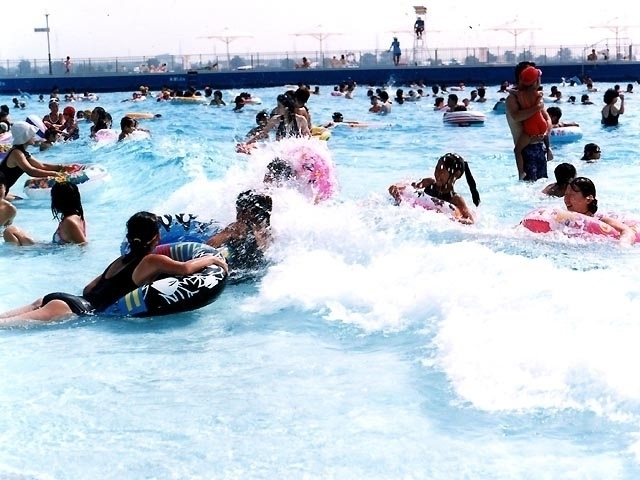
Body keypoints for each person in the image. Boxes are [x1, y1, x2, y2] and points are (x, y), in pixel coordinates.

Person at [0, 211, 228, 324]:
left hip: (64, 299)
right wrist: (213, 260)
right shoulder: (151, 260)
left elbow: (89, 288)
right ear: (157, 237)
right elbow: (186, 269)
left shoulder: (119, 261)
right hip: (73, 310)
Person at [388, 152, 481, 225]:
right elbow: (411, 187)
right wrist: (398, 189)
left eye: (442, 171)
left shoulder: (455, 199)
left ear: (455, 175)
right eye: (437, 169)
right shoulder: (429, 182)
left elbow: (470, 221)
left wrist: (454, 219)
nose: (437, 174)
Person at [506, 63, 553, 181]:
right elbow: (516, 116)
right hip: (526, 149)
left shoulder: (535, 96)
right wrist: (536, 107)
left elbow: (547, 119)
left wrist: (545, 133)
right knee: (530, 184)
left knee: (541, 184)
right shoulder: (512, 99)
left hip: (539, 146)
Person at [206, 191, 272, 273]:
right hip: (260, 272)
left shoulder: (236, 228)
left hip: (238, 273)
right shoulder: (268, 230)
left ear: (248, 211)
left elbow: (208, 246)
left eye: (238, 209)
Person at [0, 122, 67, 195]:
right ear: (25, 137)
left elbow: (41, 165)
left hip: (4, 190)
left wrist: (62, 167)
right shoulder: (17, 153)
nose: (34, 136)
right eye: (31, 134)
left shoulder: (22, 152)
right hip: (1, 190)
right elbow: (31, 171)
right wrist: (54, 174)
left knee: (20, 201)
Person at [563, 177, 635, 245]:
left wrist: (622, 246)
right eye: (566, 195)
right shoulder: (563, 220)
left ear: (588, 199)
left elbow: (627, 231)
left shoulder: (601, 220)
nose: (566, 199)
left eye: (572, 195)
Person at [1, 171, 34, 245]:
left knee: (10, 231)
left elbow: (4, 234)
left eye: (0, 187)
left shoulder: (9, 209)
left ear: (5, 188)